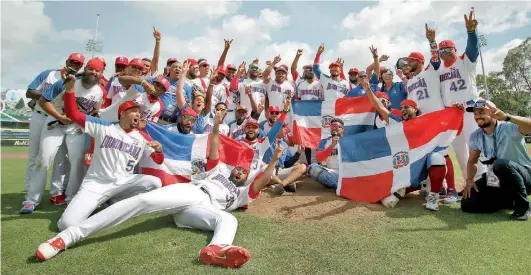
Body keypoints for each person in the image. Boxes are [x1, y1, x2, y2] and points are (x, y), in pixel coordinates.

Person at [35, 109, 287, 269]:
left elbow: (263, 178)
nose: (240, 171)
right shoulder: (217, 170)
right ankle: (66, 238)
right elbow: (214, 148)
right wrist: (217, 125)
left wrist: (274, 159)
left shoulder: (244, 193)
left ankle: (215, 249)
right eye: (238, 168)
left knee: (229, 219)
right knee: (142, 203)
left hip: (201, 211)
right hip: (194, 192)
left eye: (244, 171)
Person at [54, 75, 164, 230]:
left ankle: (113, 201)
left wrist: (159, 151)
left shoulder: (142, 137)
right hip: (96, 184)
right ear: (123, 114)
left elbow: (158, 160)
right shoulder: (105, 127)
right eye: (134, 111)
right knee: (67, 224)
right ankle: (108, 206)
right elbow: (73, 114)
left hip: (122, 184)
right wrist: (70, 89)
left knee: (154, 183)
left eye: (139, 113)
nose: (138, 115)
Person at [363, 80, 456, 210]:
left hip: (424, 165)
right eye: (401, 108)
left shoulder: (426, 123)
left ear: (415, 110)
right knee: (389, 201)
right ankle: (409, 188)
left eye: (406, 107)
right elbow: (379, 106)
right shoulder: (398, 123)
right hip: (407, 167)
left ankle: (434, 194)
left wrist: (457, 111)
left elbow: (449, 122)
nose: (402, 110)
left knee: (438, 158)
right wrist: (368, 90)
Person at [30, 58, 105, 207]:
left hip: (76, 127)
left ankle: (71, 197)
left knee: (77, 162)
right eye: (91, 69)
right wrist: (59, 117)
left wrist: (84, 125)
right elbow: (43, 101)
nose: (93, 73)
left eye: (97, 71)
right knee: (44, 158)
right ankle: (31, 200)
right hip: (55, 121)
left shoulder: (99, 92)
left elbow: (94, 112)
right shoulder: (68, 81)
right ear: (85, 69)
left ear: (101, 74)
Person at [20, 53, 85, 213]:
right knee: (37, 157)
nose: (75, 64)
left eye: (78, 63)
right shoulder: (49, 74)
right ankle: (31, 195)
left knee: (62, 159)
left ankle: (56, 193)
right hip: (41, 115)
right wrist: (50, 94)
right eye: (73, 61)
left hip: (64, 120)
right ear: (66, 61)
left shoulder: (79, 81)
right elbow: (30, 92)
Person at [433, 9, 486, 185]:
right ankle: (468, 183)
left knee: (476, 146)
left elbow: (473, 48)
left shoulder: (465, 60)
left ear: (455, 49)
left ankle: (483, 182)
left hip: (470, 109)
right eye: (442, 51)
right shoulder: (440, 69)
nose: (445, 53)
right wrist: (432, 43)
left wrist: (471, 33)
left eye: (448, 49)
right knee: (459, 150)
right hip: (451, 114)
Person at [461, 100, 531, 221]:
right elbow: (472, 161)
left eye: (481, 112)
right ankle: (509, 201)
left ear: (493, 112)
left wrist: (507, 117)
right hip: (497, 178)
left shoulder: (510, 127)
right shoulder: (475, 136)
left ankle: (523, 208)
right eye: (475, 114)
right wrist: (469, 179)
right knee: (467, 203)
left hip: (525, 177)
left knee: (500, 164)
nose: (478, 116)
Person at [307, 118, 344, 190]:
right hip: (332, 173)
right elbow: (319, 158)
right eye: (332, 126)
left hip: (347, 172)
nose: (334, 128)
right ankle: (339, 187)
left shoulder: (349, 140)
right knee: (312, 167)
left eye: (336, 126)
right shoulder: (324, 141)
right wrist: (332, 146)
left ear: (342, 129)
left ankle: (335, 184)